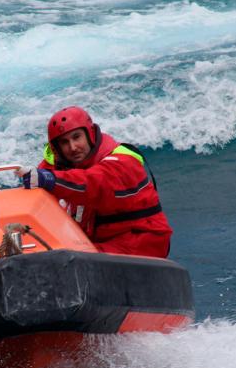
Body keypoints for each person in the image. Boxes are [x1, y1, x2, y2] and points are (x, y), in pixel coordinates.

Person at [18, 106, 172, 257]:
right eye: (64, 142)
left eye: (77, 137)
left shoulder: (122, 161)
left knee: (68, 261)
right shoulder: (61, 163)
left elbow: (93, 183)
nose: (72, 147)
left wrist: (49, 179)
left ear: (90, 134)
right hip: (96, 242)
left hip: (140, 241)